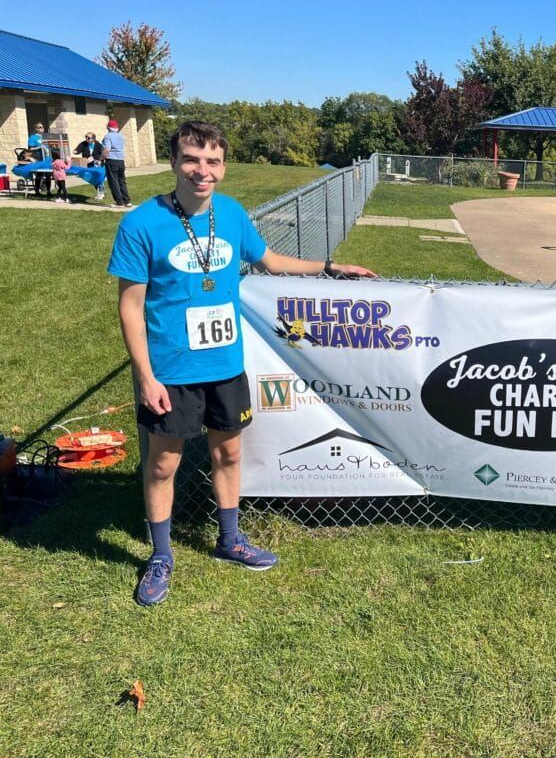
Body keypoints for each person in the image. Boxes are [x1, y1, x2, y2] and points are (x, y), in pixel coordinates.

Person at [108, 121, 377, 607]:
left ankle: (229, 538)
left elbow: (270, 261)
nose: (201, 171)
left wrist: (332, 267)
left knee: (228, 455)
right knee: (164, 462)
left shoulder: (230, 214)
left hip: (226, 365)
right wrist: (146, 376)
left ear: (224, 167)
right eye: (191, 159)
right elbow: (130, 304)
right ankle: (162, 554)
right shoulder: (141, 224)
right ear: (173, 163)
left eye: (212, 161)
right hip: (171, 370)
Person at [101, 119, 130, 207]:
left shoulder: (108, 136)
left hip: (111, 160)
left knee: (113, 182)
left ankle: (119, 202)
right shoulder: (121, 136)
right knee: (122, 181)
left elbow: (107, 150)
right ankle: (127, 201)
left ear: (108, 127)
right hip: (121, 160)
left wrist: (101, 158)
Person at [75, 132, 105, 200]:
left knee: (99, 179)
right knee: (92, 179)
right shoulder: (84, 144)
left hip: (97, 164)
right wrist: (76, 151)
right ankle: (100, 192)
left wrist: (94, 158)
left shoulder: (98, 145)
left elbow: (102, 154)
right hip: (88, 165)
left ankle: (101, 193)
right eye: (86, 137)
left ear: (93, 139)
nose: (86, 139)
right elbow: (78, 149)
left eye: (88, 138)